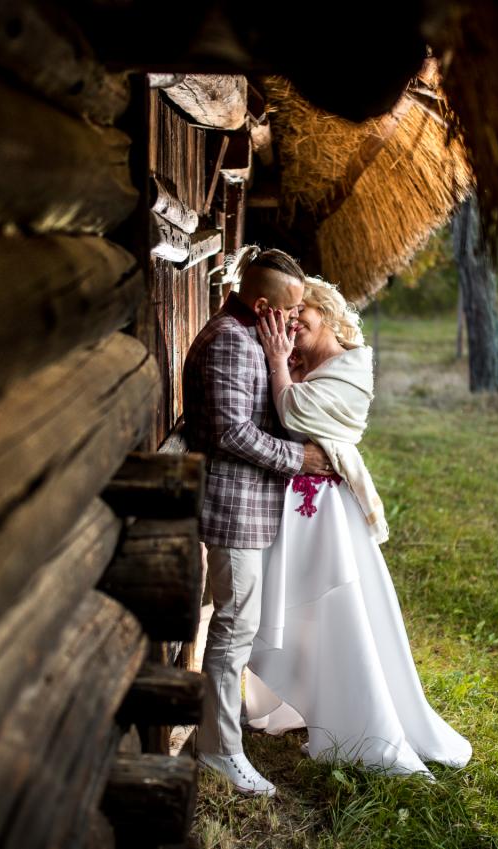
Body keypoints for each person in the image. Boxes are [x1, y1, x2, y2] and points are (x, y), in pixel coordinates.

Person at [243, 276, 472, 777]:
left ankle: (354, 719)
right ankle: (297, 700)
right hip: (304, 506)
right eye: (286, 315)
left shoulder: (353, 364)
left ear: (325, 312)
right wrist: (290, 365)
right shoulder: (309, 362)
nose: (291, 322)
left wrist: (281, 365)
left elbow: (296, 412)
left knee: (334, 606)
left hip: (328, 513)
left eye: (301, 313)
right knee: (297, 606)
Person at [182, 245, 331, 796]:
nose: (296, 319)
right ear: (262, 302)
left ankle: (216, 731)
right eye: (290, 309)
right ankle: (221, 750)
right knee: (233, 626)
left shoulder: (251, 337)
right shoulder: (228, 341)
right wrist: (301, 460)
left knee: (238, 624)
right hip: (232, 508)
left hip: (247, 507)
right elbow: (230, 433)